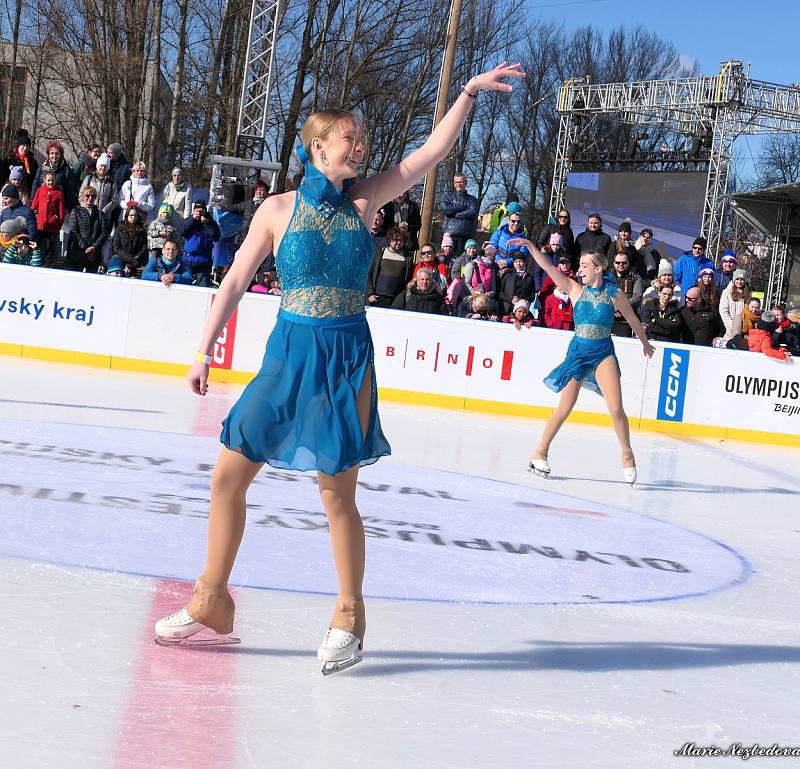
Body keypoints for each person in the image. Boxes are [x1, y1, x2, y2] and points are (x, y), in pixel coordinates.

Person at [153, 64, 526, 672]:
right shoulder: (275, 209)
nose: (362, 145)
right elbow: (235, 282)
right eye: (350, 137)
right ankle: (212, 599)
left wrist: (465, 95)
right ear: (318, 145)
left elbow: (430, 152)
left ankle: (349, 616)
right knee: (227, 476)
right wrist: (203, 350)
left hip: (346, 356)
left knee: (336, 494)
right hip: (288, 354)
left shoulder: (366, 198)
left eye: (362, 138)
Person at [510, 238, 655, 484]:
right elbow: (548, 268)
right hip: (578, 352)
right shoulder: (575, 289)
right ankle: (539, 452)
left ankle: (627, 454)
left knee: (615, 407)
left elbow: (632, 320)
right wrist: (532, 247)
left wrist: (645, 343)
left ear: (597, 268)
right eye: (580, 266)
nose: (580, 270)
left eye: (584, 266)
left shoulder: (613, 294)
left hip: (603, 351)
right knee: (565, 407)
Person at [366, 227, 414, 307]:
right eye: (396, 240)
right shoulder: (379, 253)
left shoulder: (407, 258)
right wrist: (370, 294)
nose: (398, 243)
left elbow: (408, 279)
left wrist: (402, 298)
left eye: (401, 240)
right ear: (390, 240)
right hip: (377, 298)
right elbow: (369, 274)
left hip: (396, 300)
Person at [179, 200, 220, 286]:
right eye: (197, 210)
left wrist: (207, 224)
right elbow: (181, 231)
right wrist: (193, 219)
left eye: (202, 211)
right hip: (187, 260)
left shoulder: (210, 223)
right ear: (193, 211)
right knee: (183, 285)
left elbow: (216, 237)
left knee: (203, 288)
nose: (199, 213)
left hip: (204, 262)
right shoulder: (189, 220)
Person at [29, 170, 65, 268]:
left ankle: (48, 265)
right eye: (48, 180)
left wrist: (58, 223)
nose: (50, 182)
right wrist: (33, 219)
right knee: (39, 247)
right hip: (40, 226)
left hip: (52, 227)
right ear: (44, 180)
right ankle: (38, 264)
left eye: (52, 180)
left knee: (50, 250)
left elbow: (61, 211)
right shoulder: (40, 190)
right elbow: (33, 207)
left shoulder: (59, 192)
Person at [68, 186, 106, 272]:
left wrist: (93, 247)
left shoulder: (100, 214)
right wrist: (85, 247)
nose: (90, 198)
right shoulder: (76, 211)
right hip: (78, 252)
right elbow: (73, 231)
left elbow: (104, 233)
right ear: (83, 197)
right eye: (87, 195)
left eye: (93, 196)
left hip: (94, 254)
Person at [441, 172, 478, 255]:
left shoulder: (472, 199)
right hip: (450, 236)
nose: (459, 184)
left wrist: (456, 215)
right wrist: (462, 207)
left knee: (463, 262)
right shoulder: (448, 196)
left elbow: (472, 212)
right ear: (454, 184)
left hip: (466, 236)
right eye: (457, 182)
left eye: (461, 182)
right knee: (447, 260)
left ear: (466, 183)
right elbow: (447, 210)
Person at [610, 251, 644, 337]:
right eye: (618, 262)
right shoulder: (607, 277)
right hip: (607, 318)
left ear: (628, 263)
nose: (621, 264)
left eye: (624, 262)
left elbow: (637, 297)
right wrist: (613, 308)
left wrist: (620, 306)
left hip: (626, 321)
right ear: (614, 263)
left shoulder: (636, 277)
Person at [112, 207, 148, 276]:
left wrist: (136, 259)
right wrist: (131, 259)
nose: (133, 217)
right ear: (127, 215)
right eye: (131, 215)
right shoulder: (119, 229)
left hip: (133, 264)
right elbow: (116, 248)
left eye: (135, 215)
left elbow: (143, 247)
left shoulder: (142, 231)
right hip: (119, 262)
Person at [497, 253, 535, 317]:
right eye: (516, 261)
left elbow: (532, 296)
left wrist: (520, 300)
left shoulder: (529, 277)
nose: (518, 263)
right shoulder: (507, 274)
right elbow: (500, 293)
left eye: (520, 261)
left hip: (521, 312)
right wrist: (511, 300)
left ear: (525, 262)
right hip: (506, 310)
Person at [719, 269, 750, 344]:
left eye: (742, 280)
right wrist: (733, 326)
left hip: (744, 331)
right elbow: (723, 311)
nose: (739, 282)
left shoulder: (748, 294)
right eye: (737, 279)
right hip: (730, 331)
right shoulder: (727, 292)